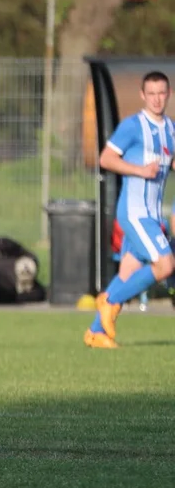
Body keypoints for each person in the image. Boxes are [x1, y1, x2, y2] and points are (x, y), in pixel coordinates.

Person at [86, 71, 175, 348]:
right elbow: (106, 158)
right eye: (151, 93)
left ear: (169, 94)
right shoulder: (132, 126)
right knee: (165, 265)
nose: (157, 99)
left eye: (162, 93)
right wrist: (139, 170)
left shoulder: (170, 129)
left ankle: (96, 333)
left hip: (152, 214)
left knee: (126, 275)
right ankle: (109, 301)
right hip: (135, 213)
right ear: (142, 95)